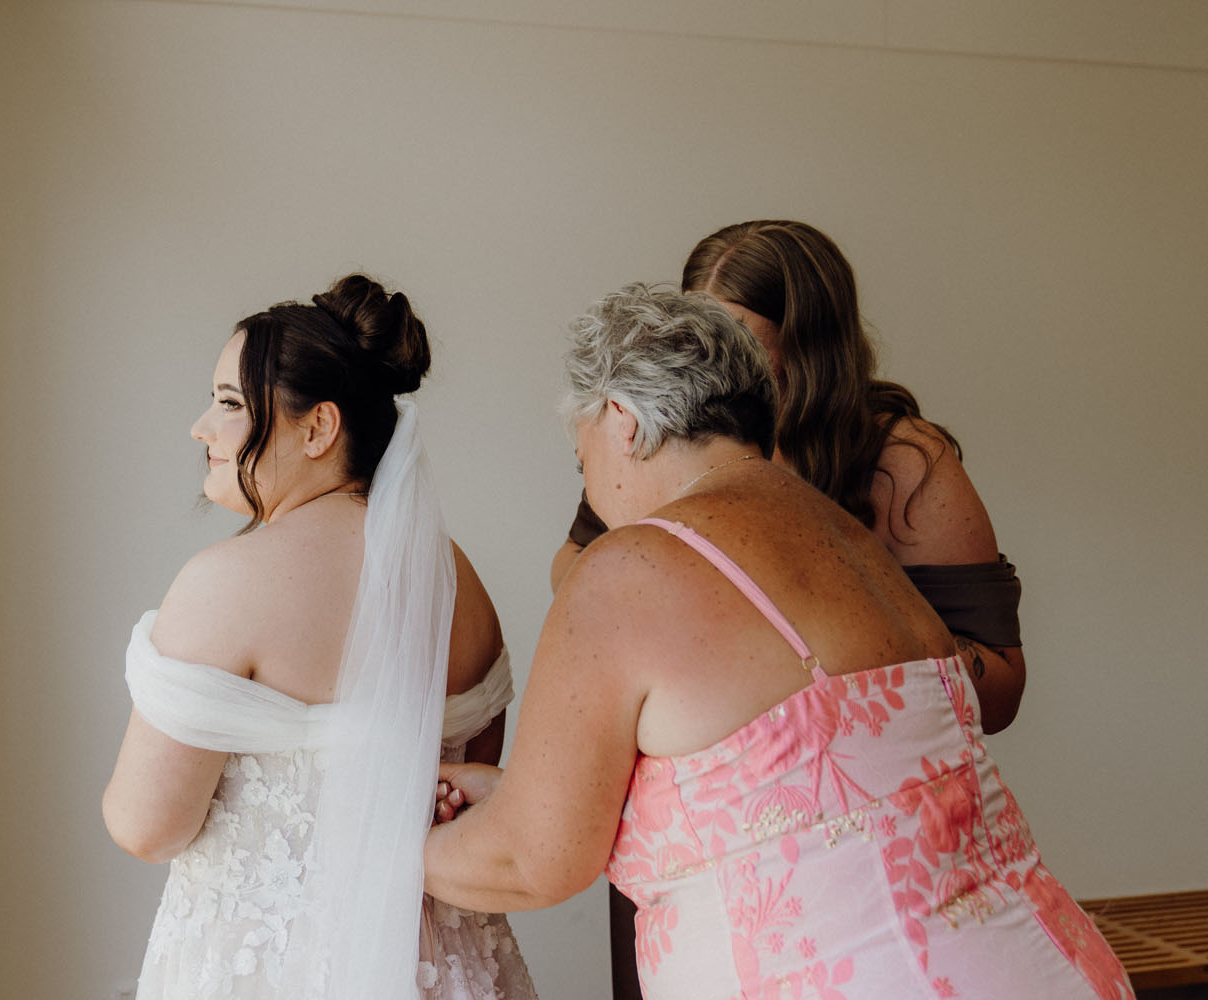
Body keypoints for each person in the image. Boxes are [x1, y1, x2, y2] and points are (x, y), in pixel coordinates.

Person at [428, 285, 1131, 1000]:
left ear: (622, 419)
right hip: (1045, 962)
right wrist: (522, 793)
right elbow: (798, 789)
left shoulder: (630, 566)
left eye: (583, 465)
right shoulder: (840, 535)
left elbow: (532, 861)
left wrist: (377, 844)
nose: (595, 496)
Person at [103, 275, 536, 1000]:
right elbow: (460, 801)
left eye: (230, 404)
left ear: (318, 428)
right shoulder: (460, 583)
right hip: (443, 972)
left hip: (267, 973)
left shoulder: (226, 583)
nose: (201, 427)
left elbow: (148, 827)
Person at [553, 220, 1024, 736]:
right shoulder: (665, 427)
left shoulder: (903, 459)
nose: (710, 359)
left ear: (808, 347)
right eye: (695, 334)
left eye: (736, 337)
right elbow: (574, 563)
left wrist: (837, 622)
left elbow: (1001, 687)